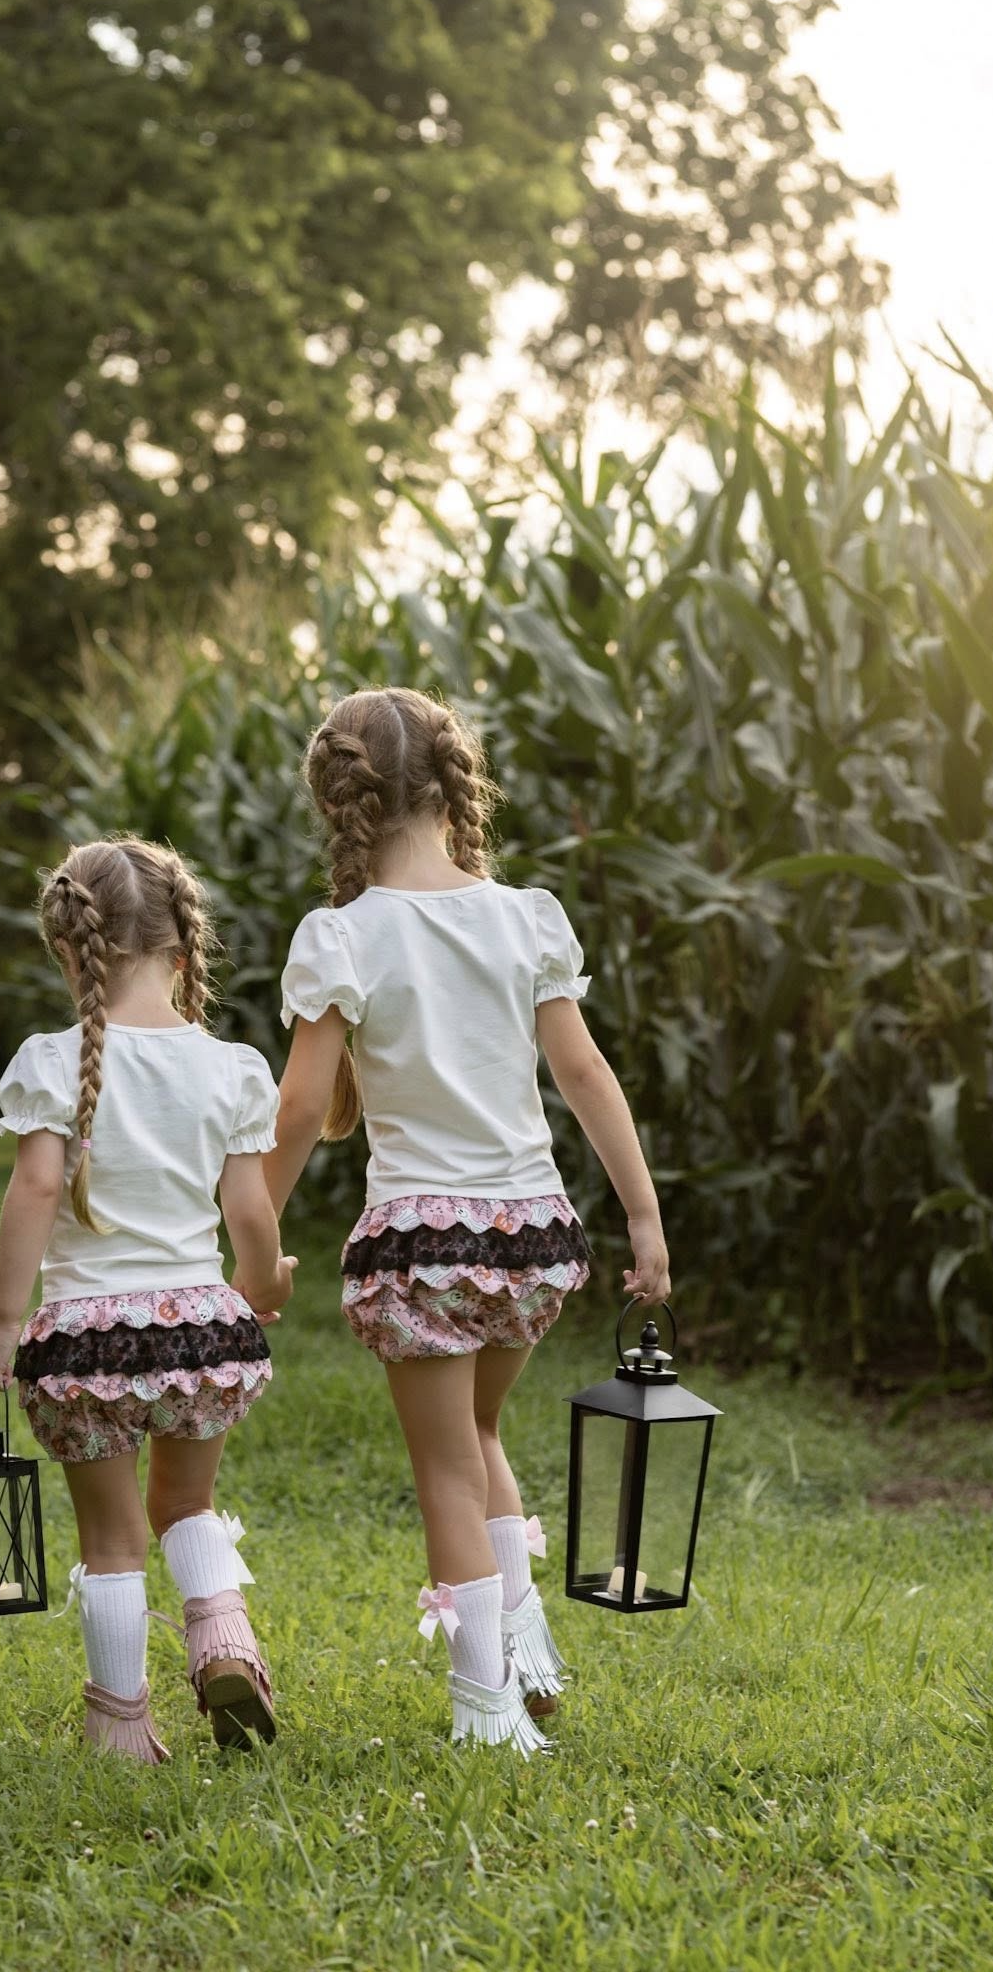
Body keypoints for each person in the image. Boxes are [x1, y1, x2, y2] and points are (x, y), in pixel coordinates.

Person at [265, 688, 671, 1757]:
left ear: (338, 800)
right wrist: (641, 1212)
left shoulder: (341, 935)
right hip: (531, 1237)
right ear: (451, 784)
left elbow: (303, 1106)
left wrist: (249, 1221)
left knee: (445, 1462)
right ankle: (526, 1638)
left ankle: (484, 1702)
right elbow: (580, 1070)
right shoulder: (522, 912)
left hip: (423, 1246)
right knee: (479, 1435)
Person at [0, 837, 294, 1758]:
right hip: (198, 1330)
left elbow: (34, 1192)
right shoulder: (230, 1068)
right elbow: (250, 1209)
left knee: (112, 1541)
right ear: (184, 952)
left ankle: (121, 1728)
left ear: (73, 953)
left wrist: (5, 1324)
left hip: (83, 1345)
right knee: (186, 1507)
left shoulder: (50, 1060)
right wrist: (261, 1284)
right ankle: (223, 1637)